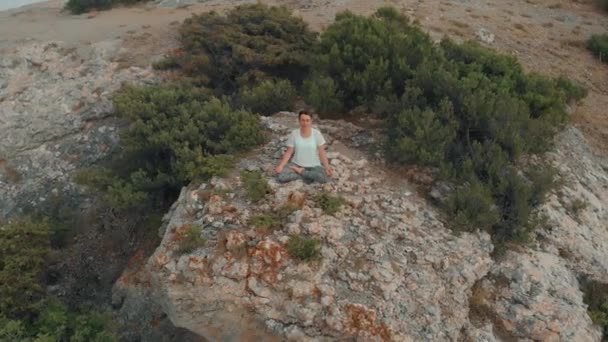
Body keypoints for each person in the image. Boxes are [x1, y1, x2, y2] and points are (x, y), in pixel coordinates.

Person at [275, 110, 333, 183]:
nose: (305, 123)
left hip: (314, 166)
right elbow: (289, 152)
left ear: (311, 121)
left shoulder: (317, 134)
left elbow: (322, 152)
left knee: (324, 178)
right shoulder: (294, 134)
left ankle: (302, 173)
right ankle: (307, 176)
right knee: (281, 176)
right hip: (296, 165)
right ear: (299, 121)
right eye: (302, 120)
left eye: (307, 120)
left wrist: (327, 167)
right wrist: (281, 166)